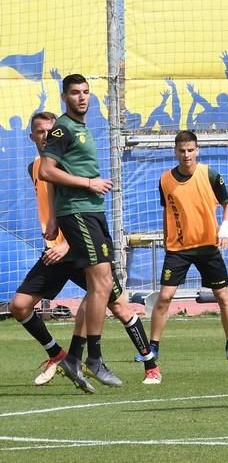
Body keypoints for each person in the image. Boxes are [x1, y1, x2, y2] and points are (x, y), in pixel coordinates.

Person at [12, 111, 161, 392]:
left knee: (118, 305)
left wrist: (68, 243)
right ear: (32, 137)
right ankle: (58, 356)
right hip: (55, 253)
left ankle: (150, 364)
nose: (45, 136)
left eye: (50, 131)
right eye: (40, 132)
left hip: (78, 247)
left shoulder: (66, 164)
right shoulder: (36, 167)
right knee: (19, 305)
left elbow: (78, 208)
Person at [38, 74, 122, 391]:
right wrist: (89, 183)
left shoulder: (82, 128)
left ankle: (75, 356)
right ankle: (94, 358)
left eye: (86, 92)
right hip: (78, 212)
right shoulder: (63, 128)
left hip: (91, 211)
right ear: (64, 97)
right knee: (101, 283)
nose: (82, 98)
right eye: (75, 93)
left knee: (102, 284)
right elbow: (47, 170)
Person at [136, 130, 228, 362]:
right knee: (164, 297)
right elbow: (167, 211)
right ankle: (153, 347)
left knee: (223, 296)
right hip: (178, 249)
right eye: (182, 151)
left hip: (207, 247)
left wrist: (224, 229)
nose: (186, 155)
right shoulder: (165, 180)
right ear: (175, 152)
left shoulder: (210, 175)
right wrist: (165, 238)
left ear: (197, 150)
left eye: (190, 150)